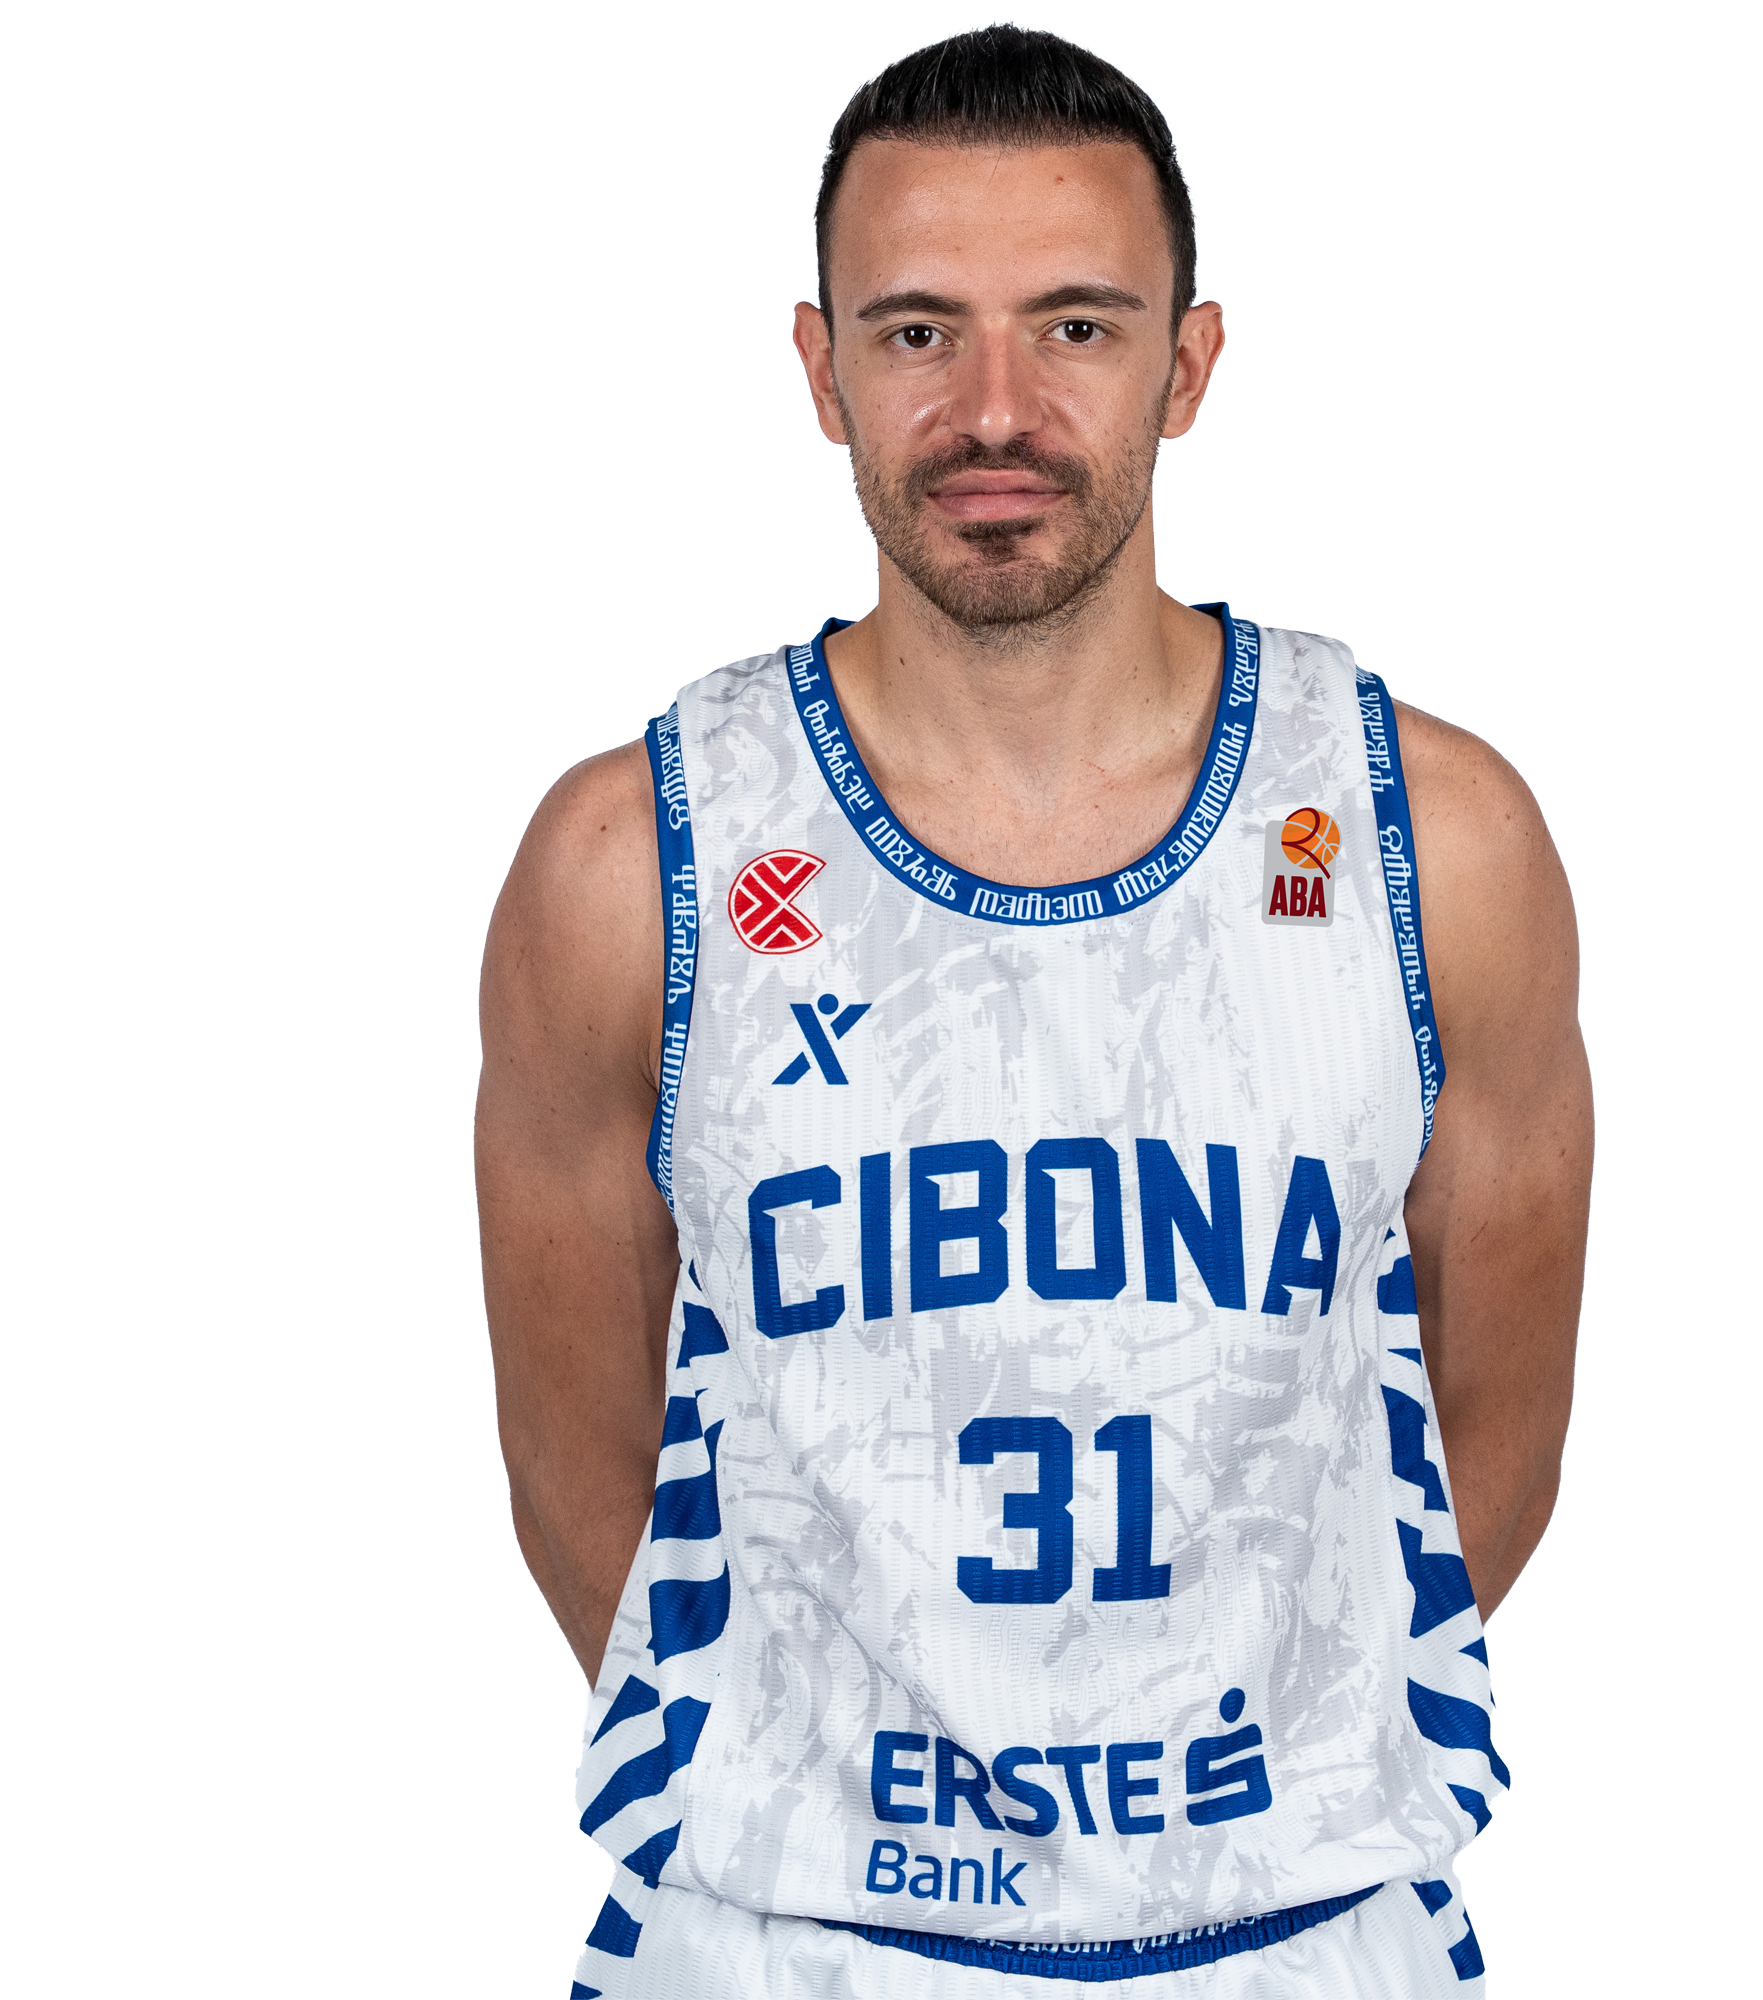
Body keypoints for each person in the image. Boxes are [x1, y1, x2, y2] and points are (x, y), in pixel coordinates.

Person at [476, 23, 1591, 1999]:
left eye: (1075, 326)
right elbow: (585, 1484)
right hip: (791, 1938)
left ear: (1188, 363)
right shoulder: (630, 863)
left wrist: (1201, 1804)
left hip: (1291, 1927)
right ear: (821, 369)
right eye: (917, 332)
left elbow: (1490, 1445)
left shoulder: (1431, 837)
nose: (994, 407)